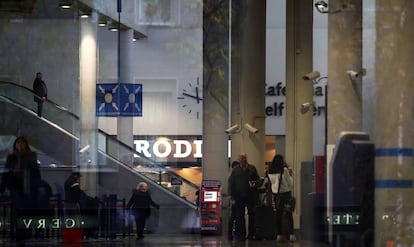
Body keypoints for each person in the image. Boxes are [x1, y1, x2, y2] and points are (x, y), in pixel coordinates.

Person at [0, 136, 41, 240]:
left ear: (26, 145)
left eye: (22, 143)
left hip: (28, 187)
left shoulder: (31, 156)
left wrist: (37, 186)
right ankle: (17, 232)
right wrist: (2, 189)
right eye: (18, 143)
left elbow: (35, 173)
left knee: (27, 210)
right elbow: (6, 173)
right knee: (17, 210)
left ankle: (26, 232)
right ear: (15, 145)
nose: (20, 145)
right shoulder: (12, 157)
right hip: (16, 186)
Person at [228, 152, 260, 241]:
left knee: (252, 214)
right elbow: (231, 182)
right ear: (239, 159)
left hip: (250, 195)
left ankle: (251, 234)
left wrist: (255, 183)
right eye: (241, 158)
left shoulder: (252, 168)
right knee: (239, 215)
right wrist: (230, 195)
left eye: (244, 158)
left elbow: (258, 180)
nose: (243, 160)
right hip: (238, 196)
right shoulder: (235, 170)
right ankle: (241, 234)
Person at [266, 154, 295, 242]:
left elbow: (272, 184)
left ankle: (279, 235)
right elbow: (290, 184)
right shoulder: (284, 170)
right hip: (286, 195)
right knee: (288, 215)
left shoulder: (270, 171)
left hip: (276, 196)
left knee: (278, 216)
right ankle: (291, 234)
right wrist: (291, 175)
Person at [227, 160, 239, 241]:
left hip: (234, 198)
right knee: (235, 216)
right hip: (235, 198)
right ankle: (233, 234)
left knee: (233, 216)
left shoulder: (231, 175)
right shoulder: (233, 176)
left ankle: (230, 234)